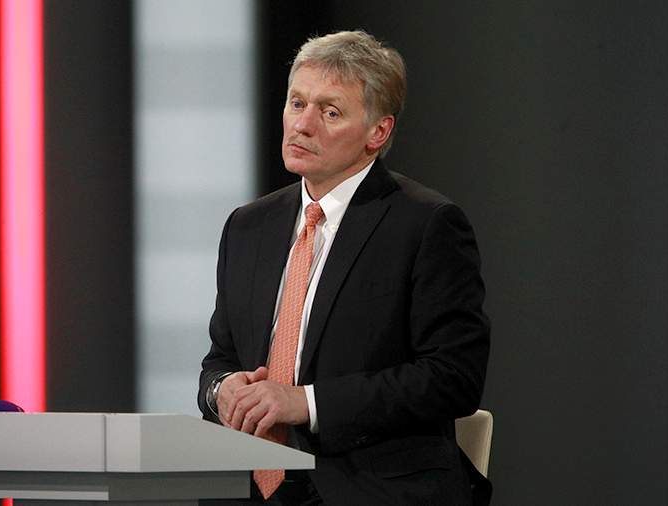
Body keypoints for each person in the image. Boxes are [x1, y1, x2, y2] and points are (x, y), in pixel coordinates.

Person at [198, 30, 491, 505]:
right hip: (249, 487)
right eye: (297, 103)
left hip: (373, 486)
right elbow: (219, 360)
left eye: (330, 112)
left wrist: (306, 402)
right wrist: (222, 390)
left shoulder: (426, 224)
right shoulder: (248, 226)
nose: (302, 125)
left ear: (378, 132)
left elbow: (453, 377)